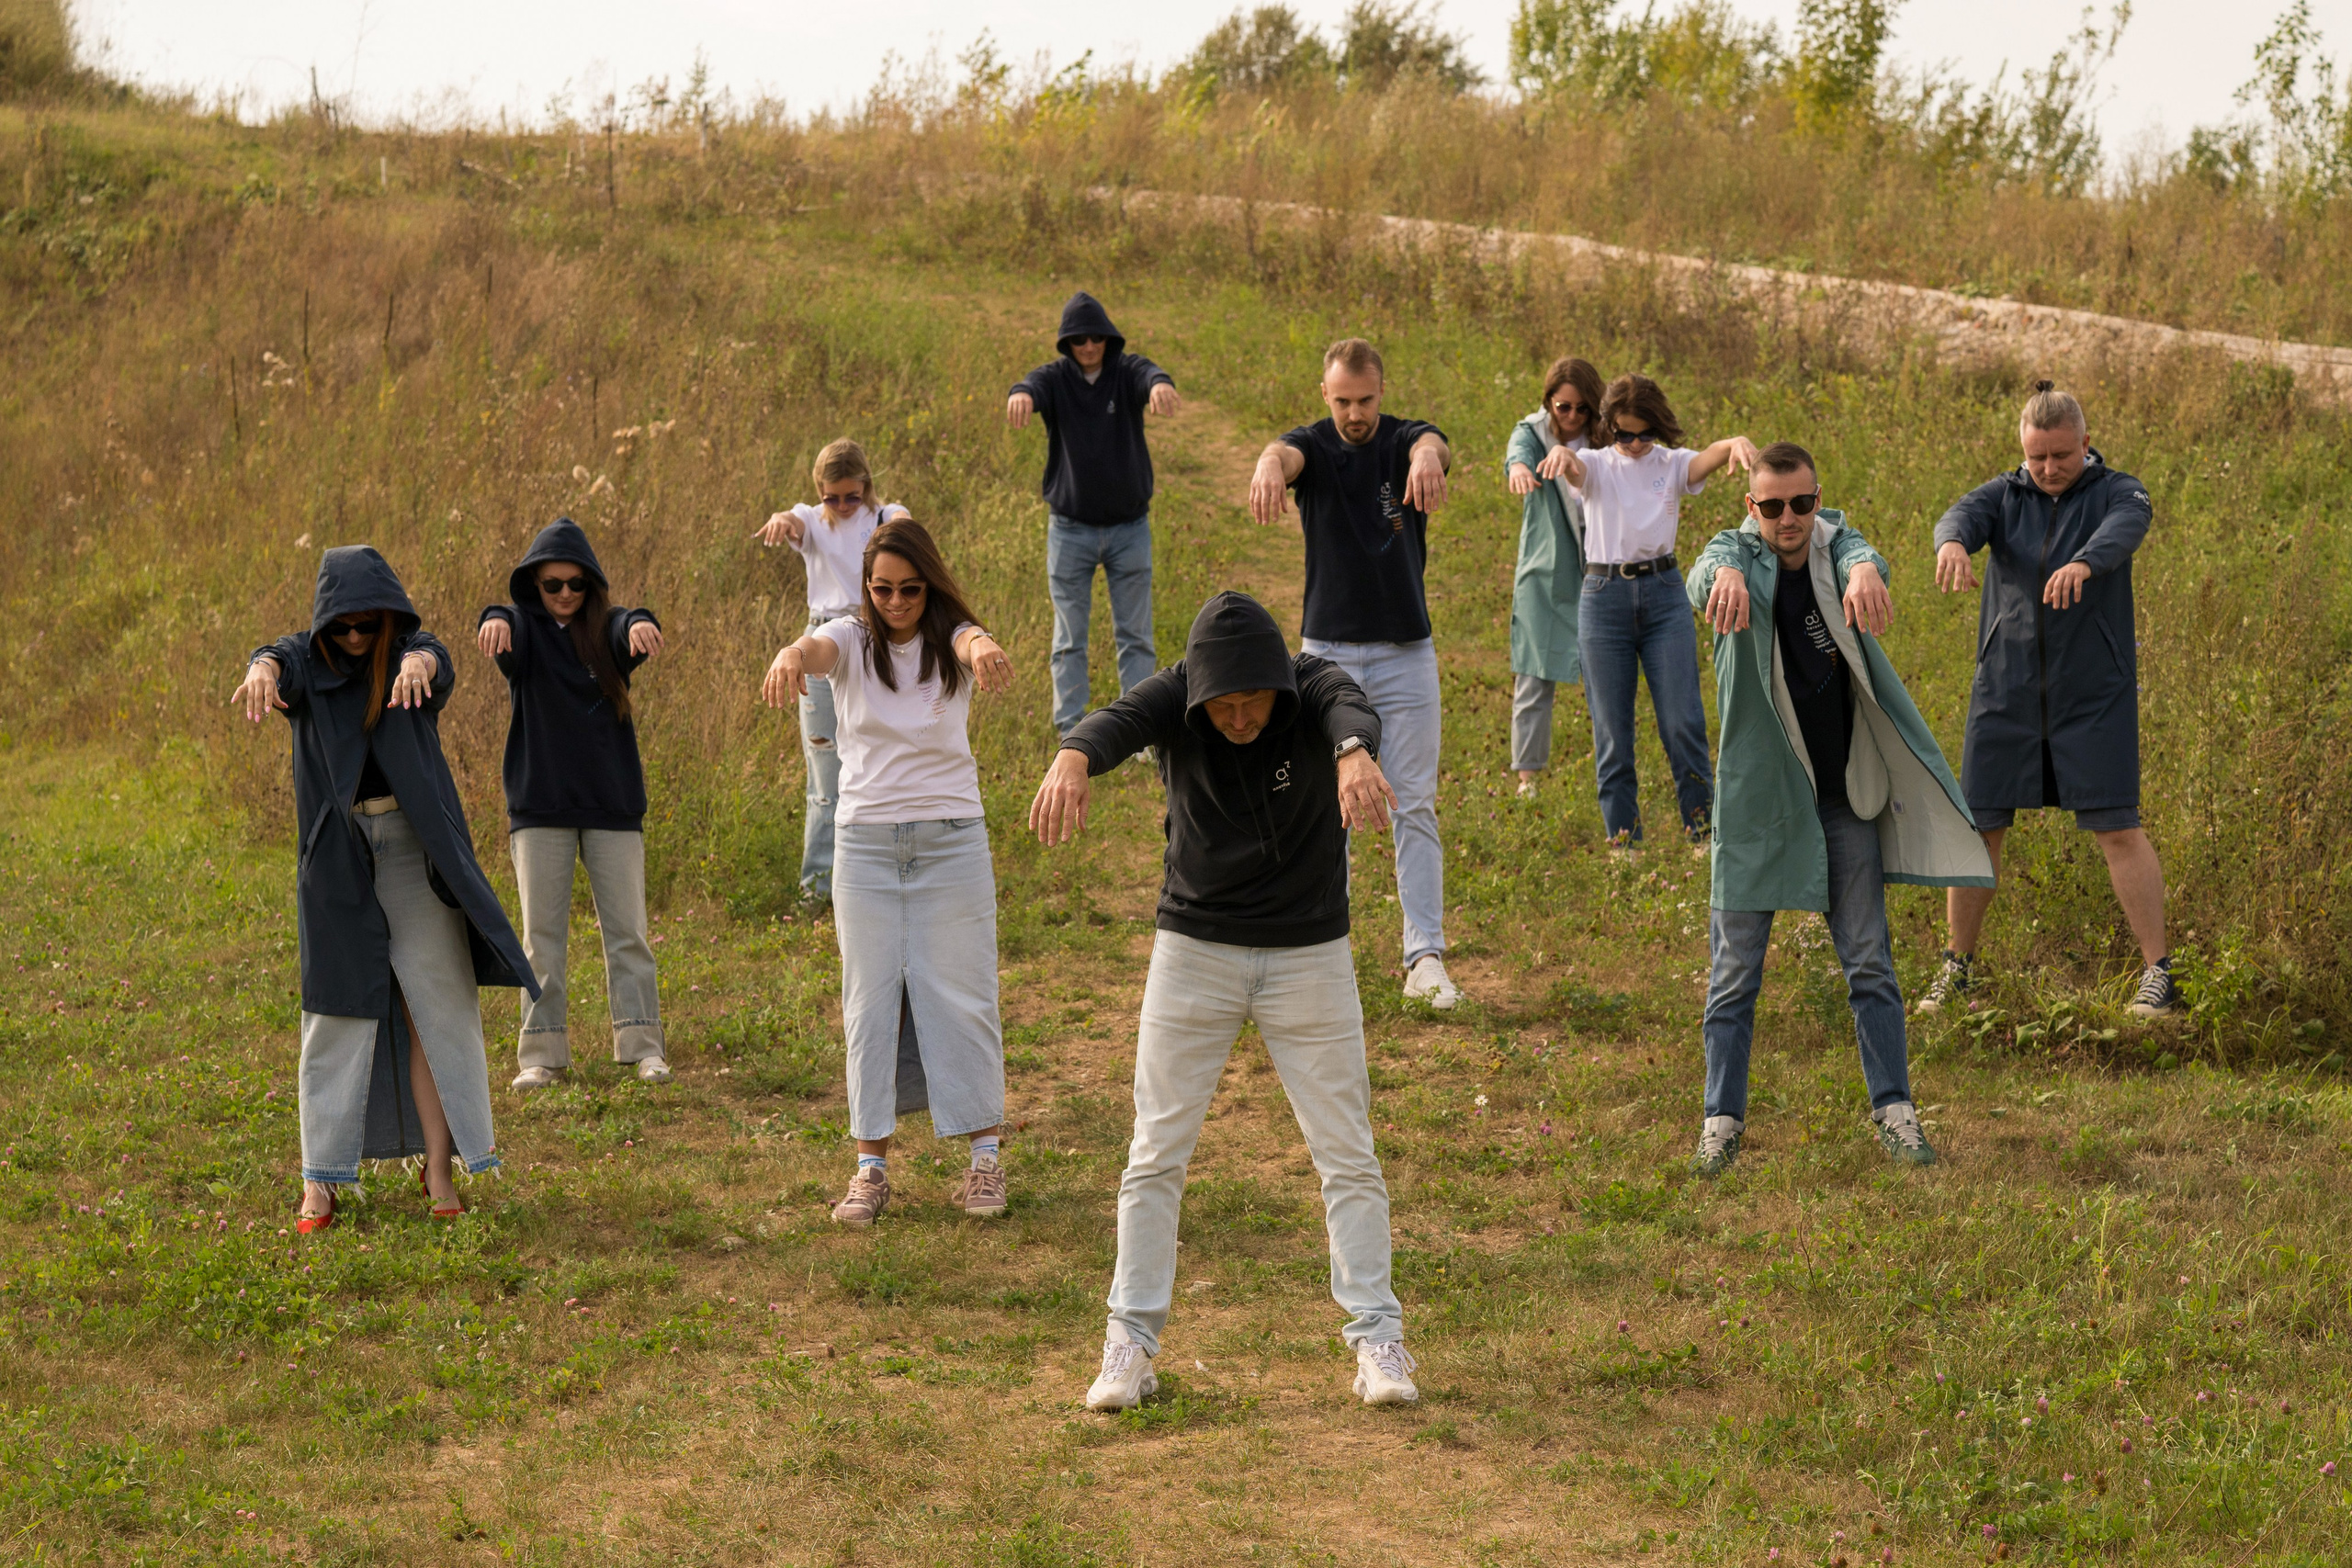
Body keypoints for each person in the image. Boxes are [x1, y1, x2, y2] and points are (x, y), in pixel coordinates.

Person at [1029, 590, 1422, 1409]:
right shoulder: (1178, 693)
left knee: (1346, 1152)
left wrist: (1352, 751)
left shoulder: (1312, 685)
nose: (1240, 718)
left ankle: (1378, 1340)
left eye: (1254, 703)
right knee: (1154, 1152)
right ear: (1200, 692)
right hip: (1195, 950)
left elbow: (1352, 706)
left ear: (1279, 683)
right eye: (1224, 707)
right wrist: (1073, 756)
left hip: (1309, 950)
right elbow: (1116, 720)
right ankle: (1129, 1344)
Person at [1687, 446, 1996, 1175]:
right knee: (1733, 977)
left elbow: (1863, 553)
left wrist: (1863, 568)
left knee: (1871, 966)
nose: (1788, 519)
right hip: (1758, 805)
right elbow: (1707, 573)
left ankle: (1896, 1111)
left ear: (1816, 499)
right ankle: (1720, 1121)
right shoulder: (1733, 556)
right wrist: (1726, 570)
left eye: (1801, 504)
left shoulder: (1838, 548)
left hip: (1841, 801)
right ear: (1751, 508)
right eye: (1771, 507)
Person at [234, 546, 537, 1232]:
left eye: (369, 625)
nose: (355, 637)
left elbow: (434, 657)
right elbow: (272, 656)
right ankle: (321, 1182)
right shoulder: (304, 664)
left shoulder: (410, 652)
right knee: (334, 1011)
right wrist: (259, 670)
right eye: (343, 626)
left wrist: (413, 664)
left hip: (411, 849)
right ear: (326, 623)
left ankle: (440, 1167)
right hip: (339, 858)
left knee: (437, 1006)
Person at [760, 518, 1018, 1224]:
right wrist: (790, 652)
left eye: (910, 589)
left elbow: (971, 638)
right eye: (882, 589)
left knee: (963, 993)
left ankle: (985, 1163)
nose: (896, 602)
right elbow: (815, 646)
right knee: (869, 1002)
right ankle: (870, 1169)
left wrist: (985, 642)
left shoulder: (954, 635)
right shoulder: (851, 635)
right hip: (867, 848)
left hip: (951, 840)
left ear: (928, 584)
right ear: (866, 589)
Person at [1921, 381, 2172, 1017]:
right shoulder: (2004, 495)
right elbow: (1957, 516)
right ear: (2023, 450)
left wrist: (2085, 563)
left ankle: (2159, 973)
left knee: (2118, 826)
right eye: (2038, 457)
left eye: (2061, 455)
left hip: (2093, 696)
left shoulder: (2120, 491)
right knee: (1980, 825)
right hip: (2004, 692)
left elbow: (2126, 528)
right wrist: (1950, 542)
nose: (2049, 468)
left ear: (2085, 444)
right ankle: (1959, 968)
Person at [1246, 337, 1459, 1009]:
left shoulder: (1404, 444)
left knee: (1414, 803)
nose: (1355, 413)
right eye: (1342, 400)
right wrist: (1265, 465)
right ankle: (1322, 952)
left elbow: (1434, 444)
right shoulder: (1311, 445)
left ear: (1382, 393)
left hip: (1406, 653)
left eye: (1365, 400)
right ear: (1324, 394)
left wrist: (1426, 456)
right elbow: (1287, 454)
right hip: (1329, 654)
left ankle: (1424, 956)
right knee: (1324, 804)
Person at [477, 517, 670, 1090]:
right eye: (551, 584)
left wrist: (640, 625)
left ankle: (644, 1047)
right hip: (539, 808)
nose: (563, 594)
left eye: (575, 584)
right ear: (533, 585)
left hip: (612, 806)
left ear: (591, 585)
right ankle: (541, 1055)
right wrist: (495, 619)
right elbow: (501, 616)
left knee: (628, 932)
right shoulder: (524, 634)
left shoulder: (607, 630)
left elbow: (631, 622)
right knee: (541, 938)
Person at [1540, 374, 1756, 853]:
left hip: (1664, 595)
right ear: (1608, 427)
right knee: (1613, 730)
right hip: (1603, 597)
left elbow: (1707, 458)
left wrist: (1735, 442)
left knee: (1683, 720)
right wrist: (1563, 455)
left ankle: (1702, 832)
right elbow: (1575, 468)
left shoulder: (1671, 464)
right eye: (1624, 434)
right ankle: (1625, 843)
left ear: (1657, 428)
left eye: (1645, 434)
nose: (1635, 444)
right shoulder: (1596, 463)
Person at [1006, 291, 1181, 737]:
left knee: (1136, 636)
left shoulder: (1126, 372)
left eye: (1096, 337)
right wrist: (1022, 394)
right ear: (1066, 343)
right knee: (1069, 640)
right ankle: (1072, 732)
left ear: (1109, 338)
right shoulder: (1055, 378)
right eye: (1078, 339)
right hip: (1070, 531)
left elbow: (1149, 373)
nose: (1088, 346)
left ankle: (1141, 732)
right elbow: (1030, 384)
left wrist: (1160, 384)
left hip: (1129, 529)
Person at [755, 439, 910, 902]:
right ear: (819, 493)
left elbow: (906, 530)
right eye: (831, 497)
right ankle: (819, 888)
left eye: (851, 496)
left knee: (886, 761)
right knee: (826, 772)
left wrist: (903, 529)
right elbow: (793, 519)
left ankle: (880, 878)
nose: (842, 506)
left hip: (878, 639)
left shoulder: (884, 518)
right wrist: (784, 520)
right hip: (823, 642)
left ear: (867, 486)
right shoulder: (812, 521)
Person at [1504, 355, 1605, 798]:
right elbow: (1516, 457)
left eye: (1581, 408)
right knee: (1534, 672)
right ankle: (1527, 777)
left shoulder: (1604, 440)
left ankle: (1611, 769)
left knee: (1605, 676)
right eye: (1562, 407)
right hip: (1545, 573)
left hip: (1599, 569)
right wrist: (1521, 470)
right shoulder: (1531, 432)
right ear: (1548, 401)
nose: (1571, 417)